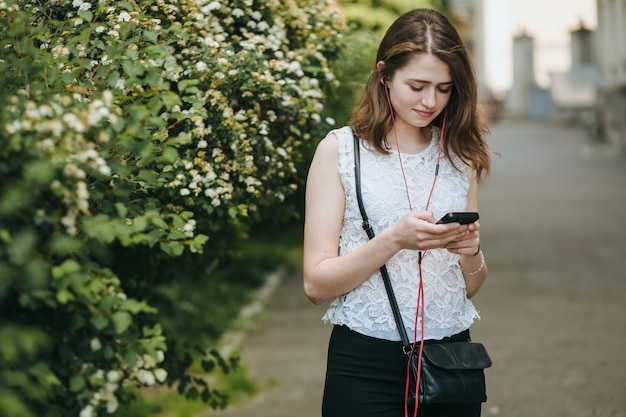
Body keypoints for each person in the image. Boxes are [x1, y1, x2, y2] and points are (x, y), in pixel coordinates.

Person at [303, 8, 492, 417]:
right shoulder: (339, 152)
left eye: (444, 88)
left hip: (452, 360)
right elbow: (316, 285)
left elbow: (470, 287)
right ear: (384, 74)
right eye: (418, 85)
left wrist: (470, 253)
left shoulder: (461, 157)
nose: (431, 101)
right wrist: (392, 240)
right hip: (364, 366)